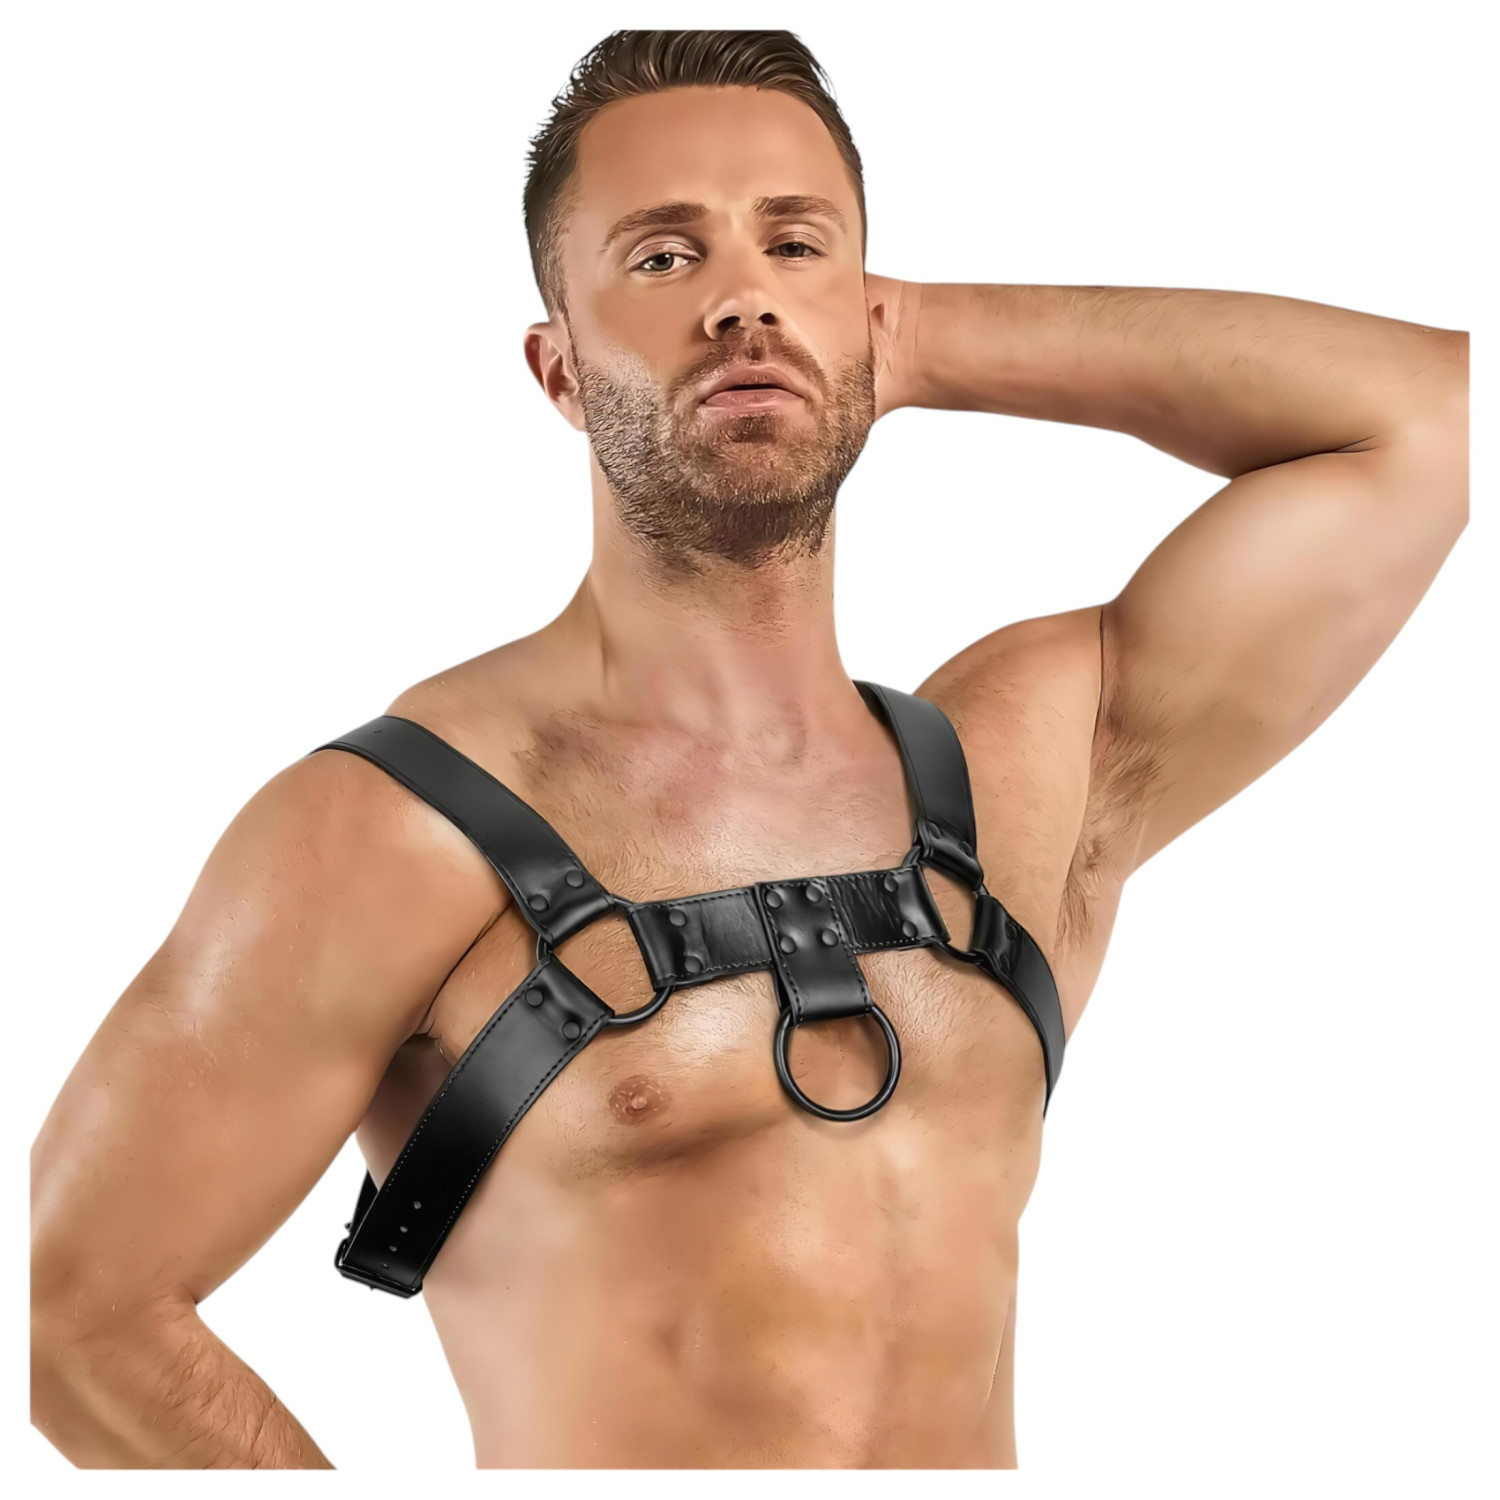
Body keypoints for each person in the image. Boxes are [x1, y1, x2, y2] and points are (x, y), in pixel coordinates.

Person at [29, 28, 1467, 1470]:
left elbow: (1437, 421)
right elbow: (67, 1317)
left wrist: (915, 334)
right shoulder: (396, 827)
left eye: (794, 245)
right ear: (559, 368)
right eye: (664, 258)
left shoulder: (1033, 767)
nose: (741, 301)